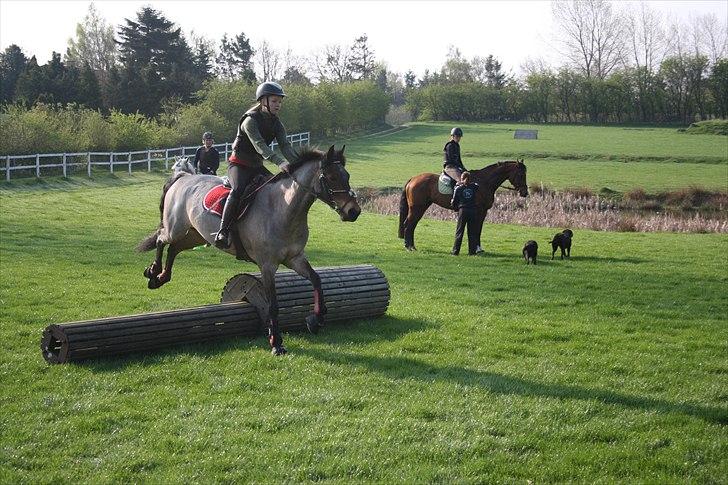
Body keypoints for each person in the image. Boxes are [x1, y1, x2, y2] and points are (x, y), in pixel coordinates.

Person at [214, 81, 298, 249]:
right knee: (238, 190)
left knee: (276, 188)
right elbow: (260, 145)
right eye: (274, 101)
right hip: (238, 165)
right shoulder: (249, 121)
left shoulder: (277, 123)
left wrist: (299, 163)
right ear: (263, 101)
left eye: (280, 102)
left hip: (256, 166)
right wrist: (279, 162)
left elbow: (286, 146)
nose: (278, 105)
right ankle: (223, 231)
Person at [450, 171, 479, 256]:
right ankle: (472, 252)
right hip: (472, 210)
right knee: (472, 232)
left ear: (462, 179)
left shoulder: (458, 188)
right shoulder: (474, 187)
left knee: (459, 231)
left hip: (463, 211)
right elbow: (477, 185)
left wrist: (455, 208)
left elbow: (454, 202)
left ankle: (455, 251)